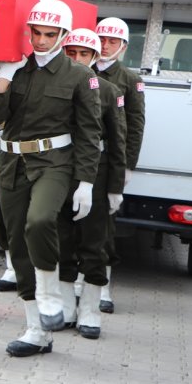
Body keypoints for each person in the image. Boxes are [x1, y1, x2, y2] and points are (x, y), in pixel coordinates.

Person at [0, 0, 102, 357]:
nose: (42, 40)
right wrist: (3, 79)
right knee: (15, 243)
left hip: (55, 162)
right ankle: (36, 329)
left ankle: (51, 297)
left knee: (40, 220)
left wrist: (86, 183)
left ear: (64, 35)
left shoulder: (81, 75)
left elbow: (89, 131)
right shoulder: (15, 67)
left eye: (50, 34)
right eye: (36, 32)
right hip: (13, 162)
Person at [58, 28, 127, 339]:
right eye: (71, 52)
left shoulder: (110, 91)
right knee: (62, 241)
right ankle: (66, 309)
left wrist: (115, 186)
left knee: (94, 243)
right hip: (59, 171)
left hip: (96, 176)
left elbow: (118, 142)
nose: (77, 59)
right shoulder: (56, 85)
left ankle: (89, 310)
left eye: (83, 53)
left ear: (95, 57)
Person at [93, 17, 145, 315]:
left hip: (111, 159)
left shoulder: (129, 78)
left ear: (123, 46)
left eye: (113, 41)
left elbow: (136, 125)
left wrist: (127, 166)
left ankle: (102, 287)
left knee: (104, 225)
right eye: (102, 38)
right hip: (82, 156)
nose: (105, 45)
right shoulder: (81, 70)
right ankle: (74, 283)